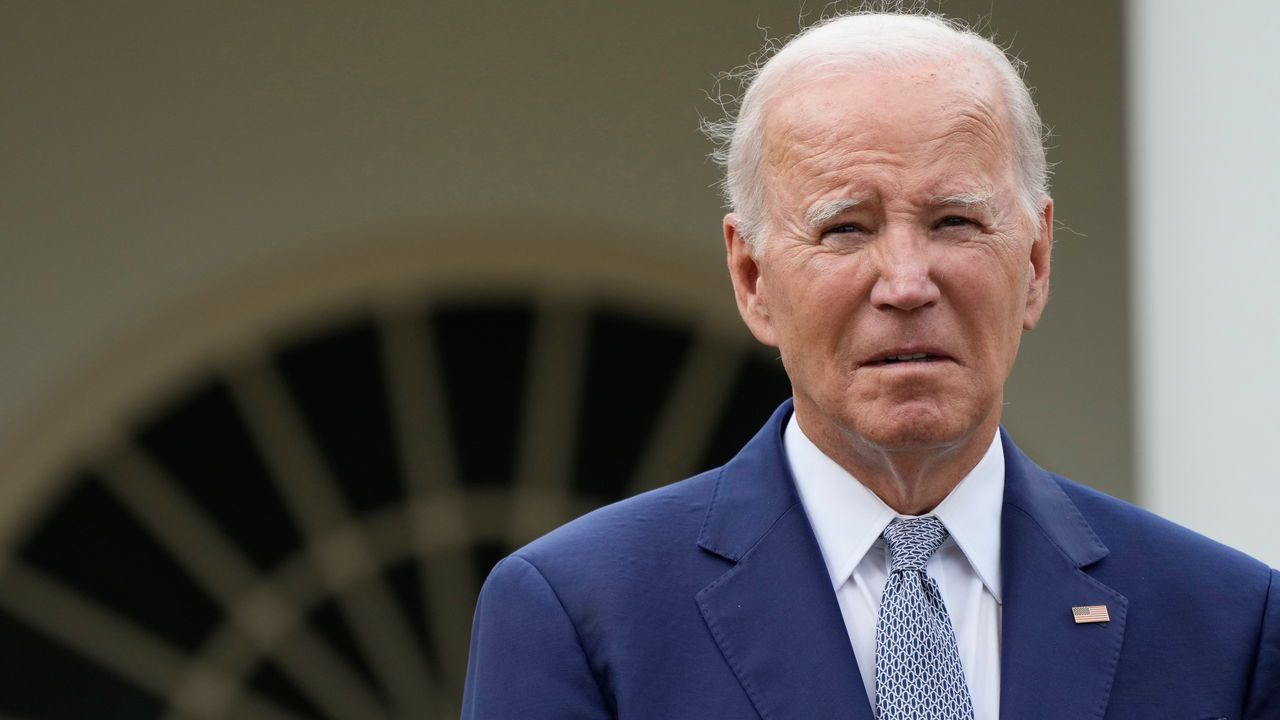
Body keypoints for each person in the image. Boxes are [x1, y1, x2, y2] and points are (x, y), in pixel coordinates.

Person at [461, 11, 1279, 719]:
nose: (907, 282)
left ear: (1035, 262)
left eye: (955, 221)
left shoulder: (1226, 619)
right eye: (845, 228)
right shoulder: (583, 613)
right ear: (752, 279)